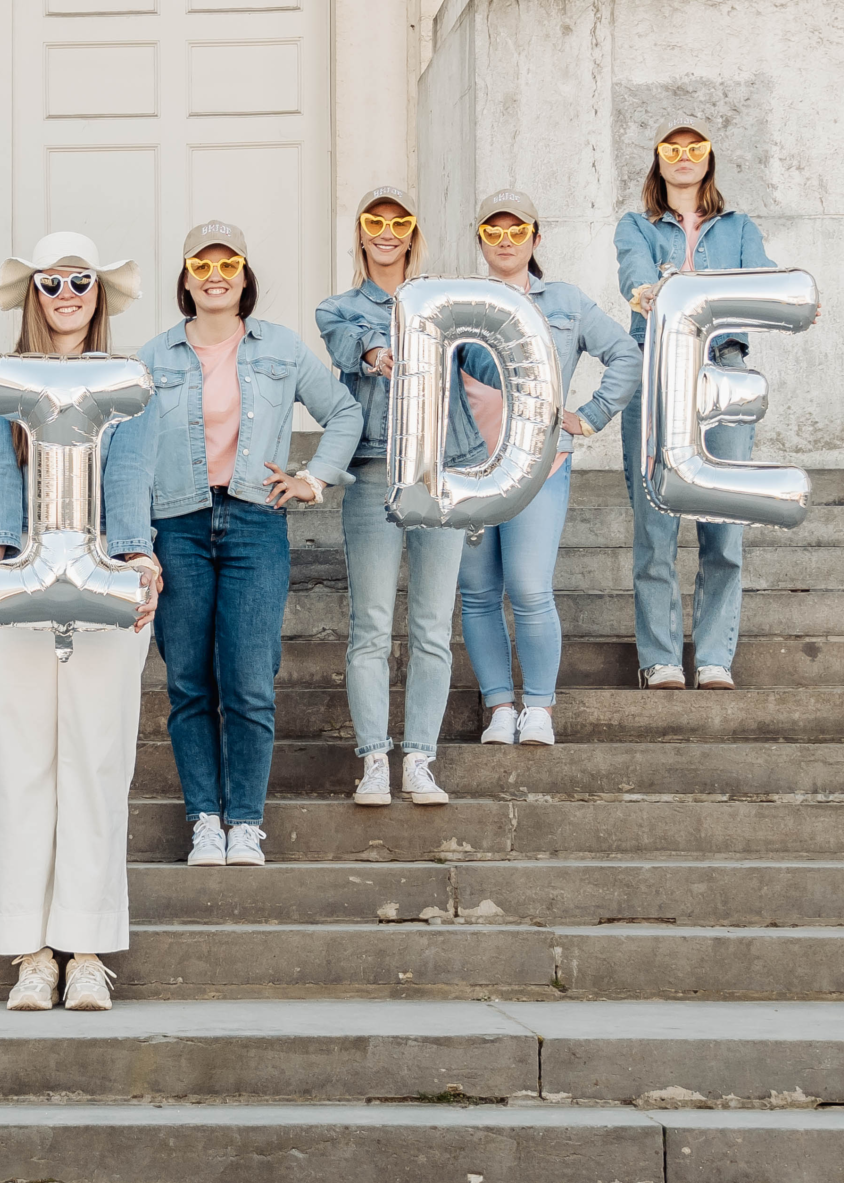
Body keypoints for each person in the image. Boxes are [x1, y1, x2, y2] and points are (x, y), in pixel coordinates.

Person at [0, 234, 158, 1011]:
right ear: (33, 295)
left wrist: (141, 555)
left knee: (97, 760)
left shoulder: (131, 380)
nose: (68, 293)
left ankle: (85, 950)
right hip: (14, 582)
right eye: (52, 282)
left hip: (105, 581)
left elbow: (134, 473)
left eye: (81, 280)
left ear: (98, 291)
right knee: (19, 767)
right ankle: (30, 953)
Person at [140, 222, 361, 867]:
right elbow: (123, 449)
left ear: (244, 276)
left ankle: (245, 823)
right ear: (185, 279)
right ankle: (204, 820)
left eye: (227, 264)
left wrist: (313, 479)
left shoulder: (282, 348)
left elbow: (345, 412)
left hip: (254, 524)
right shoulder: (153, 358)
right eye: (201, 266)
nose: (215, 276)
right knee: (188, 681)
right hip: (175, 526)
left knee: (250, 681)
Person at [456, 191, 640, 748]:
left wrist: (589, 416)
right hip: (467, 466)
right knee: (477, 592)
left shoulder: (565, 301)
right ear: (481, 239)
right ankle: (498, 706)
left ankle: (539, 706)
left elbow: (626, 355)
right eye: (494, 231)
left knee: (531, 587)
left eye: (518, 231)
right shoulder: (459, 301)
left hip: (539, 464)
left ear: (537, 238)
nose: (506, 240)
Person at [316, 185, 474, 808]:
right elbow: (348, 346)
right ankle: (374, 759)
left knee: (434, 626)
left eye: (398, 220)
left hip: (442, 474)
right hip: (376, 471)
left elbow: (486, 365)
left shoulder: (449, 300)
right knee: (372, 626)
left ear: (413, 231)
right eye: (373, 221)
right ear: (359, 232)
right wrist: (379, 349)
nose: (386, 230)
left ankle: (421, 760)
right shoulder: (338, 307)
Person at [614, 125, 775, 692]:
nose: (684, 159)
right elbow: (633, 276)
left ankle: (713, 658)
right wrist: (652, 290)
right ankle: (659, 658)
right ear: (658, 162)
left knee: (724, 521)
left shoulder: (739, 228)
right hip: (655, 366)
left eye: (695, 150)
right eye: (672, 150)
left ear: (710, 161)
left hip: (723, 370)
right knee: (654, 522)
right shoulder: (635, 225)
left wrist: (792, 297)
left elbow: (762, 280)